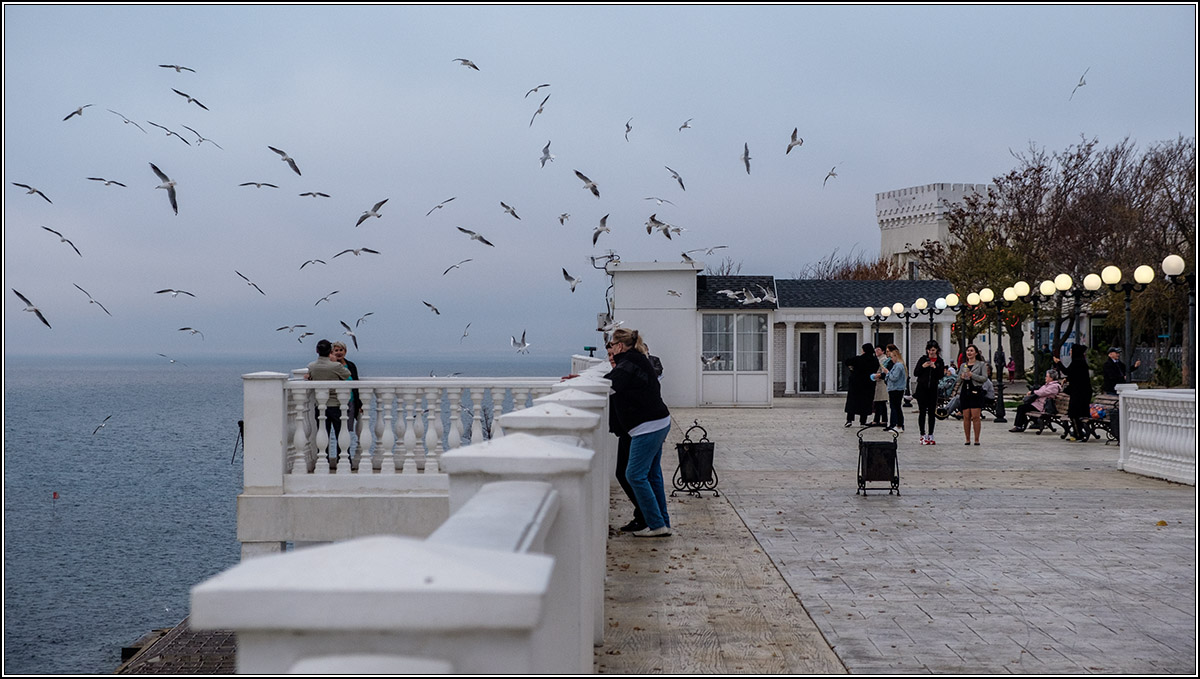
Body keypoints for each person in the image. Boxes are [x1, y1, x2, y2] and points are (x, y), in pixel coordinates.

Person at [605, 328, 672, 538]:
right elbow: (616, 379)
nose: (610, 348)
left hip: (648, 426)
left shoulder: (629, 362)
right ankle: (662, 523)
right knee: (651, 474)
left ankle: (656, 524)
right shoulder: (635, 359)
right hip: (659, 421)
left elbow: (613, 383)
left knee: (634, 474)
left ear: (620, 346)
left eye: (612, 344)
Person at [306, 338, 351, 462]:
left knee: (322, 434)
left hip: (320, 405)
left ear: (317, 350)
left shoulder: (311, 366)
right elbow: (347, 374)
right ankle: (344, 460)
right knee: (340, 433)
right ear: (330, 351)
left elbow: (310, 375)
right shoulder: (335, 366)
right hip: (336, 404)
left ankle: (322, 460)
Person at [1055, 344, 1093, 442]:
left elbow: (1068, 371)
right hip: (1080, 392)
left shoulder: (1078, 362)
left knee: (1074, 414)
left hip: (1080, 394)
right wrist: (1067, 379)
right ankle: (1077, 433)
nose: (1070, 352)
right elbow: (1074, 375)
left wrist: (1059, 363)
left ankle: (1079, 434)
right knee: (1074, 414)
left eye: (1071, 350)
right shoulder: (1079, 362)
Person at [912, 340, 946, 445]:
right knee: (922, 412)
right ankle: (922, 434)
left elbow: (940, 375)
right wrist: (923, 366)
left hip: (933, 389)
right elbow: (916, 372)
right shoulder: (923, 359)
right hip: (922, 388)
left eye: (933, 350)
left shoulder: (940, 361)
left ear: (936, 350)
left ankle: (931, 434)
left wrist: (935, 367)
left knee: (932, 412)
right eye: (929, 350)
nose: (931, 352)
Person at [958, 344, 987, 445]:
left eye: (971, 351)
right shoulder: (963, 365)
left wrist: (972, 375)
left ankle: (977, 439)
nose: (969, 353)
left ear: (976, 353)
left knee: (975, 416)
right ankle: (967, 439)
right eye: (967, 351)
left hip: (975, 391)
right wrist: (961, 376)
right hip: (965, 391)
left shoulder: (981, 364)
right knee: (966, 416)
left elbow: (984, 378)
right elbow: (958, 379)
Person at [843, 343, 878, 427]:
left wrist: (852, 369)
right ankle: (863, 421)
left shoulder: (858, 359)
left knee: (852, 402)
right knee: (865, 402)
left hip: (856, 384)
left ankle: (849, 420)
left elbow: (847, 361)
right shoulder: (874, 360)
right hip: (868, 384)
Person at [880, 344, 907, 433]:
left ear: (895, 356)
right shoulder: (897, 365)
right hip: (894, 388)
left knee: (896, 407)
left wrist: (887, 373)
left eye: (892, 357)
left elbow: (894, 377)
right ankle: (897, 425)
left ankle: (899, 425)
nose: (891, 359)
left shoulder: (898, 365)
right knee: (895, 407)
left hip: (896, 389)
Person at [871, 345, 890, 425]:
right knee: (878, 402)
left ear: (883, 351)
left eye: (878, 350)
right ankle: (877, 419)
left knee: (881, 402)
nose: (876, 351)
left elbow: (882, 370)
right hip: (878, 382)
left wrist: (876, 376)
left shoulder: (883, 359)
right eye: (876, 350)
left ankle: (884, 420)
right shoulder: (878, 359)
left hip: (882, 382)